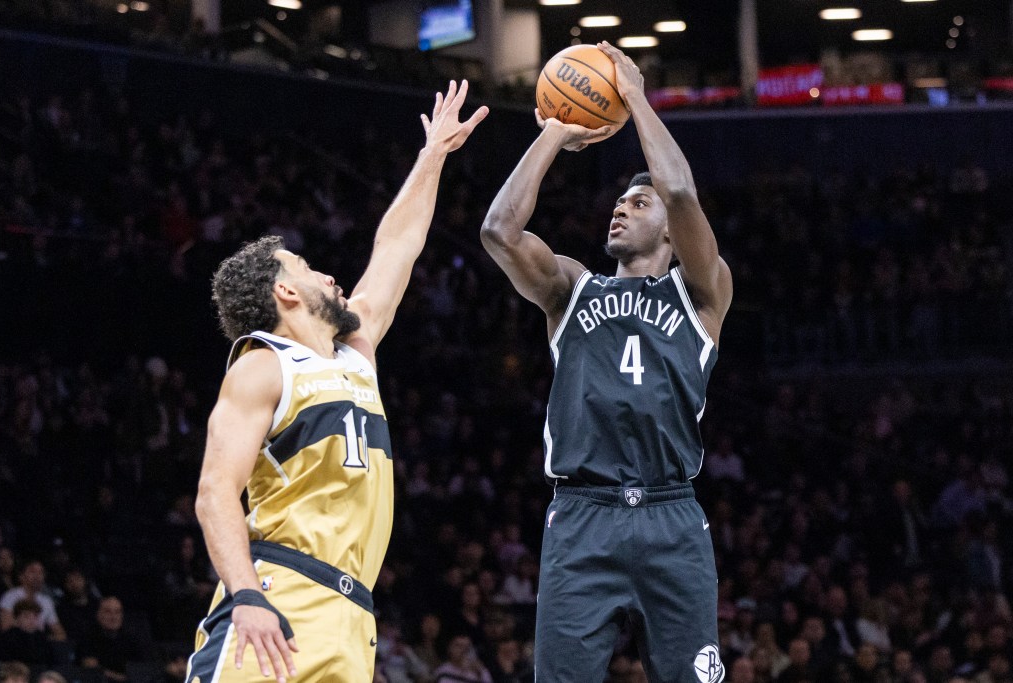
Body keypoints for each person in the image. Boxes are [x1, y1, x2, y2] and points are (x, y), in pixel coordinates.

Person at [187, 80, 487, 683]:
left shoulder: (355, 353)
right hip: (280, 595)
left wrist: (432, 157)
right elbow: (215, 491)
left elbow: (397, 245)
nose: (330, 276)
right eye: (309, 268)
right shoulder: (262, 366)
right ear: (286, 291)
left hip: (352, 616)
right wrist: (245, 595)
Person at [480, 41, 732, 682]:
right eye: (619, 201)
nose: (621, 207)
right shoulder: (572, 288)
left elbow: (679, 189)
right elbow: (499, 231)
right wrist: (554, 132)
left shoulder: (701, 293)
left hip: (671, 516)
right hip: (582, 515)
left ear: (671, 232)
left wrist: (636, 97)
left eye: (638, 203)